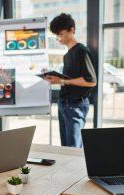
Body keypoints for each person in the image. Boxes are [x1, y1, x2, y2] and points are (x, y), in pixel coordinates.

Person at [46, 13, 97, 147]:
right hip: (64, 104)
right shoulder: (67, 55)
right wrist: (56, 79)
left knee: (73, 149)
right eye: (56, 35)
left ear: (72, 30)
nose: (58, 38)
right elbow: (70, 79)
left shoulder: (81, 51)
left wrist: (61, 81)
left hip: (75, 106)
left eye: (61, 34)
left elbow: (91, 81)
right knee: (66, 148)